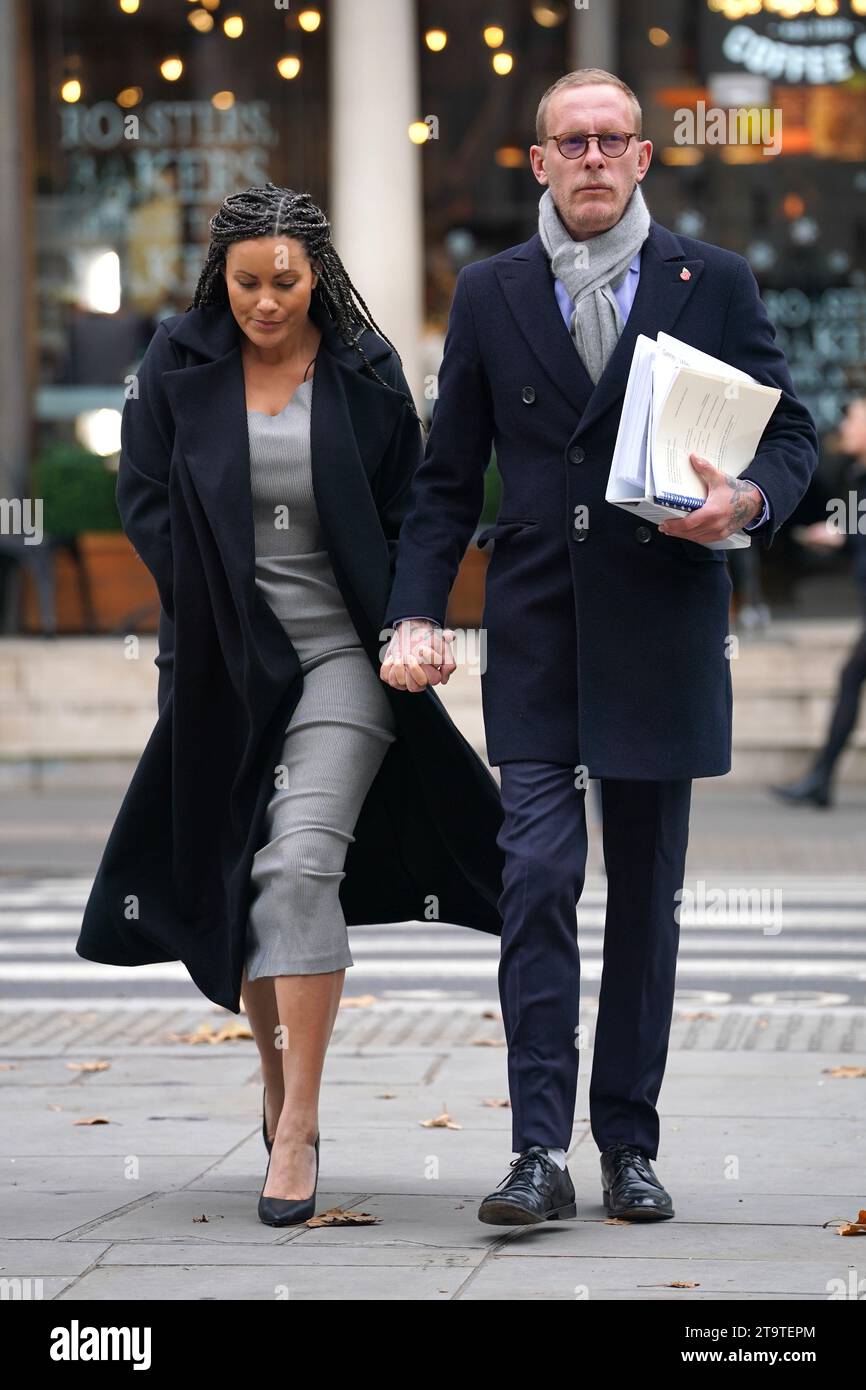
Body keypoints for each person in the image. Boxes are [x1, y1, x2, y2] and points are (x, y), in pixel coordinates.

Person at [380, 70, 818, 1227]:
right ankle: (535, 1151)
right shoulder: (487, 291)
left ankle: (627, 1145)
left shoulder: (709, 281)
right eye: (566, 141)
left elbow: (790, 433)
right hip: (532, 630)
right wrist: (414, 611)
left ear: (638, 158)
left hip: (661, 623)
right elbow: (440, 480)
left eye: (608, 139)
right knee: (533, 877)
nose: (587, 157)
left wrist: (747, 506)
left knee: (646, 901)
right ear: (535, 162)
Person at [76, 184, 506, 1227]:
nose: (265, 303)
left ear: (318, 274)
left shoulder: (362, 374)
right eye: (246, 284)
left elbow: (414, 511)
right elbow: (145, 500)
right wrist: (210, 607)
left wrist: (413, 621)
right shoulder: (175, 366)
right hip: (223, 668)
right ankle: (275, 1094)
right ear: (217, 278)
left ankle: (301, 1125)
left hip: (336, 661)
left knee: (298, 859)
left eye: (286, 282)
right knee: (243, 882)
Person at [771, 393, 866, 808]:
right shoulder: (855, 475)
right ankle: (820, 779)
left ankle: (820, 780)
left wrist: (843, 535)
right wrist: (839, 537)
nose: (843, 425)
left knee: (850, 679)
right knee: (850, 679)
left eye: (853, 418)